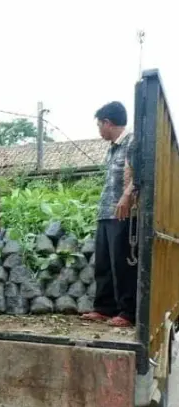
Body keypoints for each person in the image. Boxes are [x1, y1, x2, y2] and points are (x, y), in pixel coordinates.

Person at [82, 101, 137, 328]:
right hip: (106, 212)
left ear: (108, 122)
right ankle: (104, 308)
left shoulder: (133, 142)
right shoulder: (113, 147)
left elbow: (139, 174)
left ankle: (128, 313)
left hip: (123, 212)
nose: (99, 130)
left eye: (99, 125)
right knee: (104, 263)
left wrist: (126, 197)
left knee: (122, 264)